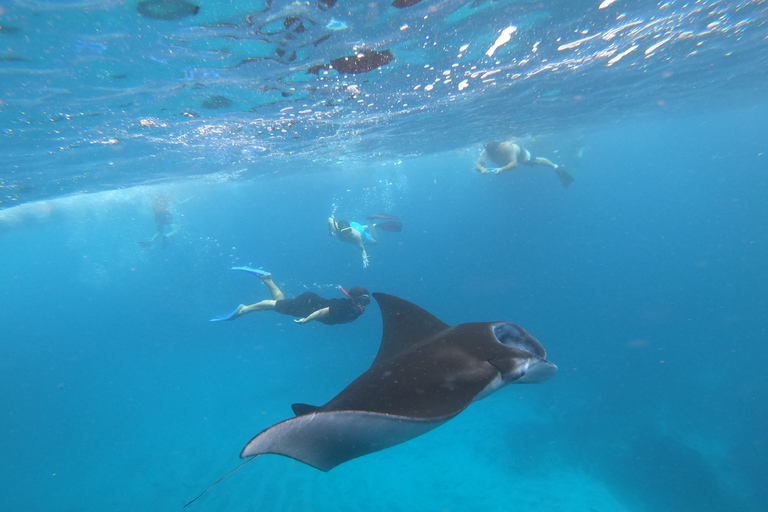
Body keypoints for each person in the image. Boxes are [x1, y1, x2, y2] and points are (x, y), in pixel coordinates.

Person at [210, 267, 370, 325]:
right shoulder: (345, 306)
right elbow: (322, 312)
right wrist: (305, 321)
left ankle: (267, 279)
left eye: (366, 302)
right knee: (271, 305)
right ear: (351, 299)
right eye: (360, 301)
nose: (363, 305)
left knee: (280, 304)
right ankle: (244, 309)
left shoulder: (358, 310)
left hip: (309, 304)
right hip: (309, 306)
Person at [475, 140, 574, 187]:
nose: (494, 156)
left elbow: (514, 163)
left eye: (497, 152)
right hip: (506, 160)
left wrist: (502, 169)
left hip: (520, 154)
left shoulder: (507, 148)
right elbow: (478, 165)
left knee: (532, 161)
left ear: (499, 148)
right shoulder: (485, 153)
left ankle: (554, 166)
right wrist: (481, 169)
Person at [328, 214, 401, 268]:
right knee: (358, 229)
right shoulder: (336, 228)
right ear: (340, 230)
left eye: (348, 231)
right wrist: (330, 231)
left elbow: (361, 247)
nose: (347, 234)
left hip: (359, 230)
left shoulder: (356, 236)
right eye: (345, 232)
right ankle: (373, 225)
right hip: (353, 225)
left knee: (375, 242)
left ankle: (369, 222)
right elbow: (330, 219)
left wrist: (364, 258)